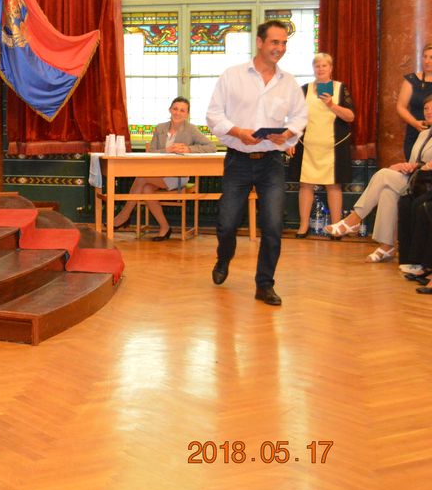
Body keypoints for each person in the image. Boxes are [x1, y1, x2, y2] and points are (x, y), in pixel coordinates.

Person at [205, 20, 309, 306]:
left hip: (271, 162)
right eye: (275, 42)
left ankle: (265, 284)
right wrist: (238, 131)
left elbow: (300, 117)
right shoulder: (232, 76)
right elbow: (214, 115)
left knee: (273, 225)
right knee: (227, 223)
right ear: (260, 43)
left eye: (284, 43)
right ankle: (223, 258)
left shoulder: (288, 83)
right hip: (237, 160)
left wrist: (288, 134)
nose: (280, 48)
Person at [325, 94, 432, 262]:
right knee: (387, 191)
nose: (428, 112)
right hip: (415, 179)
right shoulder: (423, 134)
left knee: (382, 175)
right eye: (426, 108)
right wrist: (403, 166)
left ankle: (354, 219)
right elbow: (414, 163)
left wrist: (417, 166)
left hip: (428, 183)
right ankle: (387, 246)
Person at [111, 97, 215, 240]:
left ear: (187, 114)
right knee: (146, 189)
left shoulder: (191, 130)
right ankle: (165, 228)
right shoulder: (160, 128)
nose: (178, 113)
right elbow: (151, 152)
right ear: (170, 110)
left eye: (182, 110)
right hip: (158, 173)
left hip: (178, 176)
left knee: (141, 177)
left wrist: (189, 149)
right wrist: (166, 150)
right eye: (175, 109)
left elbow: (211, 146)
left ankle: (124, 216)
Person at [287, 53, 355, 238]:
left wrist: (331, 104)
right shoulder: (304, 89)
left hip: (333, 146)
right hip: (308, 145)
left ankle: (336, 227)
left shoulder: (340, 88)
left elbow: (350, 116)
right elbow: (295, 117)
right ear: (313, 68)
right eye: (317, 65)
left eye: (324, 65)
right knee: (305, 185)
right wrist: (291, 140)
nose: (321, 69)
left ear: (331, 68)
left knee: (333, 186)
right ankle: (303, 226)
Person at [395, 43, 432, 160]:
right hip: (415, 131)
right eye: (425, 57)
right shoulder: (412, 79)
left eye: (431, 57)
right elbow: (401, 106)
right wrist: (415, 123)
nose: (427, 61)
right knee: (413, 166)